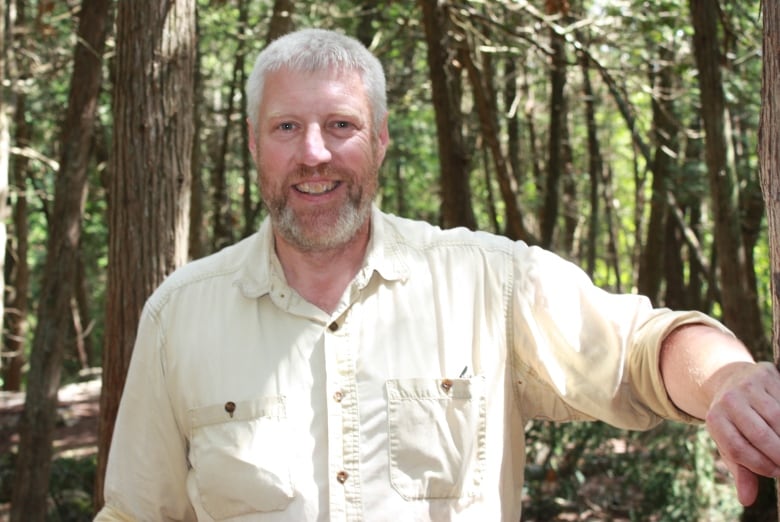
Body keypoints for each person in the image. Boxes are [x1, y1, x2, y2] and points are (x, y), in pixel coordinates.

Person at [95, 28, 780, 521]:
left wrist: (727, 381)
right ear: (253, 144)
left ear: (382, 139)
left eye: (341, 125)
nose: (313, 153)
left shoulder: (485, 283)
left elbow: (641, 348)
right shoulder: (179, 315)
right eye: (285, 128)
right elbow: (136, 512)